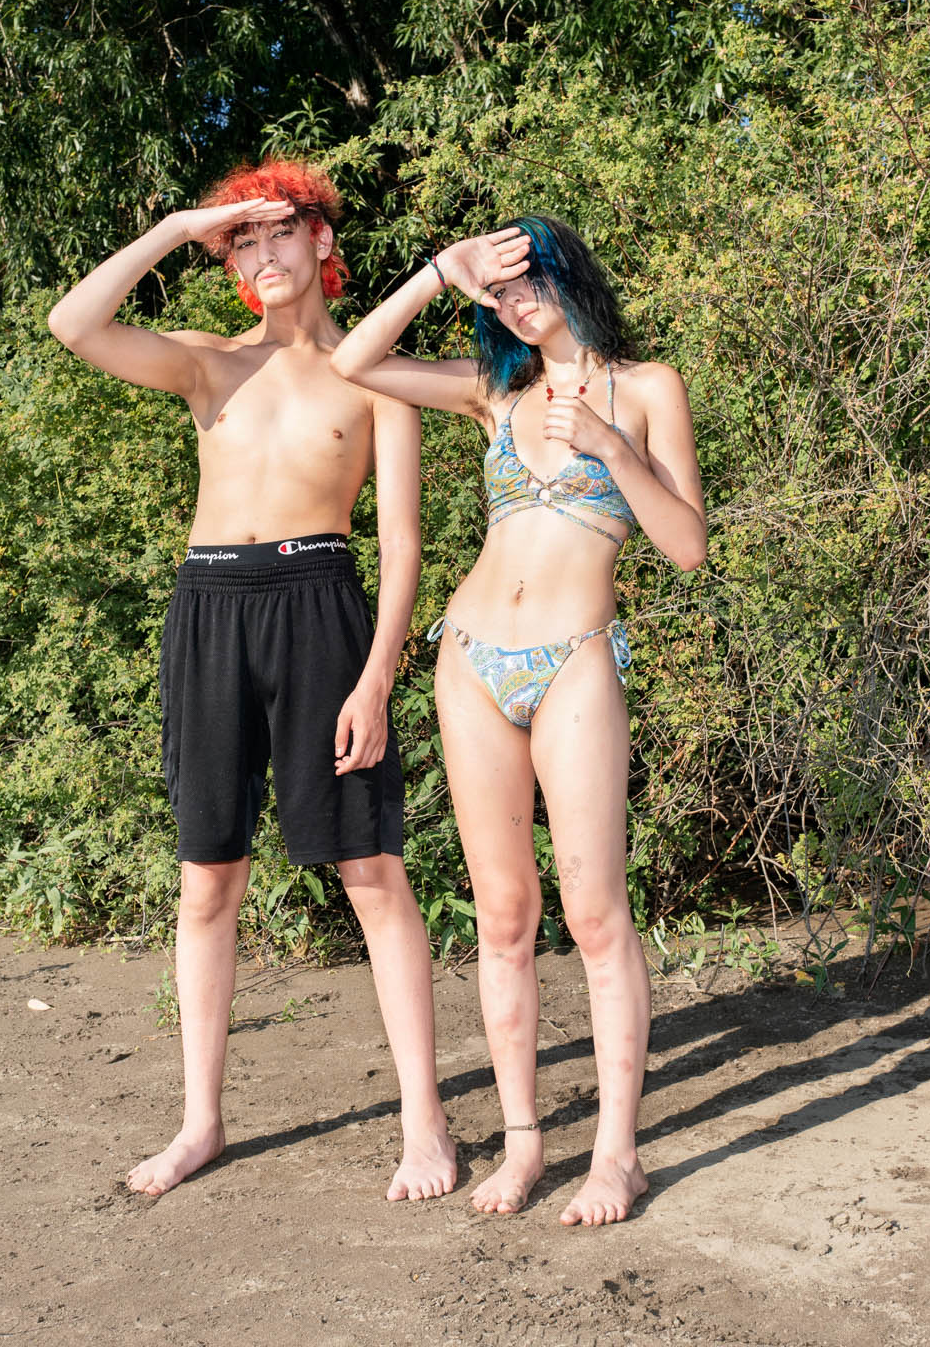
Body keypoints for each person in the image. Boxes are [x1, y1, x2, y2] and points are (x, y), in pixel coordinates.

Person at [47, 158, 457, 1202]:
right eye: (244, 242)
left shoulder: (378, 374)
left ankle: (425, 1126)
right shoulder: (205, 365)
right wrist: (184, 223)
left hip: (321, 606)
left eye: (282, 233)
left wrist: (375, 680)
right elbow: (74, 323)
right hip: (210, 610)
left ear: (323, 243)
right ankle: (201, 1123)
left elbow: (401, 546)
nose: (263, 255)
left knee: (370, 871)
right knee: (207, 879)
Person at [331, 216, 706, 1225]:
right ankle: (527, 1144)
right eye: (497, 289)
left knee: (593, 913)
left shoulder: (649, 387)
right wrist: (435, 275)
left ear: (565, 271)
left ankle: (616, 1156)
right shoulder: (494, 390)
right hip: (471, 658)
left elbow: (685, 548)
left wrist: (612, 449)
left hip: (578, 657)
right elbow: (355, 358)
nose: (514, 299)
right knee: (503, 916)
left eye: (526, 275)